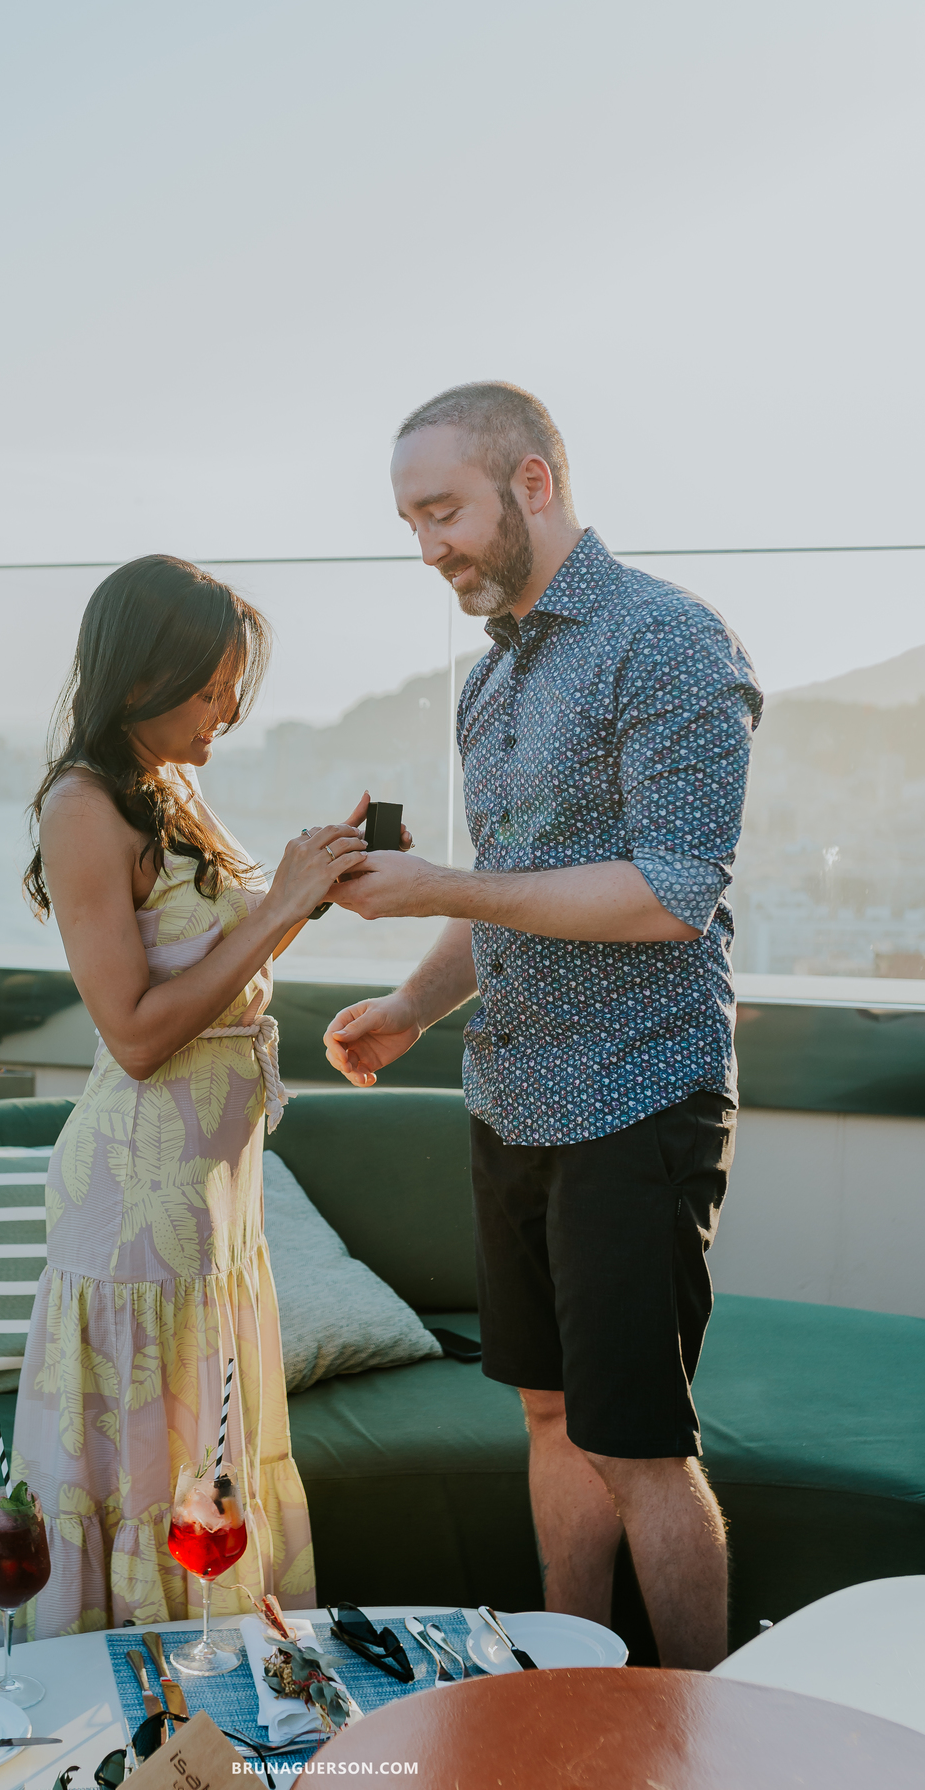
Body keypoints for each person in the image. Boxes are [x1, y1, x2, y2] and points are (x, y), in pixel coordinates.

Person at [324, 383, 763, 1669]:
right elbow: (517, 891)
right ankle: (567, 1690)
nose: (429, 549)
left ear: (531, 481)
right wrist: (411, 1005)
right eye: (410, 523)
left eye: (443, 511)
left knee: (640, 1446)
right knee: (552, 1416)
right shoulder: (490, 678)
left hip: (641, 1096)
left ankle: (694, 1727)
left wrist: (441, 884)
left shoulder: (670, 641)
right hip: (513, 1097)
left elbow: (673, 894)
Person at [10, 553, 371, 1639]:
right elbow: (133, 1034)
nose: (226, 710)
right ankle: (125, 1727)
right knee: (150, 1490)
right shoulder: (81, 807)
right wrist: (281, 909)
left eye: (232, 687)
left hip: (211, 1215)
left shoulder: (171, 785)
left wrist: (312, 876)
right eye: (208, 686)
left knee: (204, 1484)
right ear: (134, 679)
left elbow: (220, 967)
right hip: (133, 1215)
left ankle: (209, 1720)